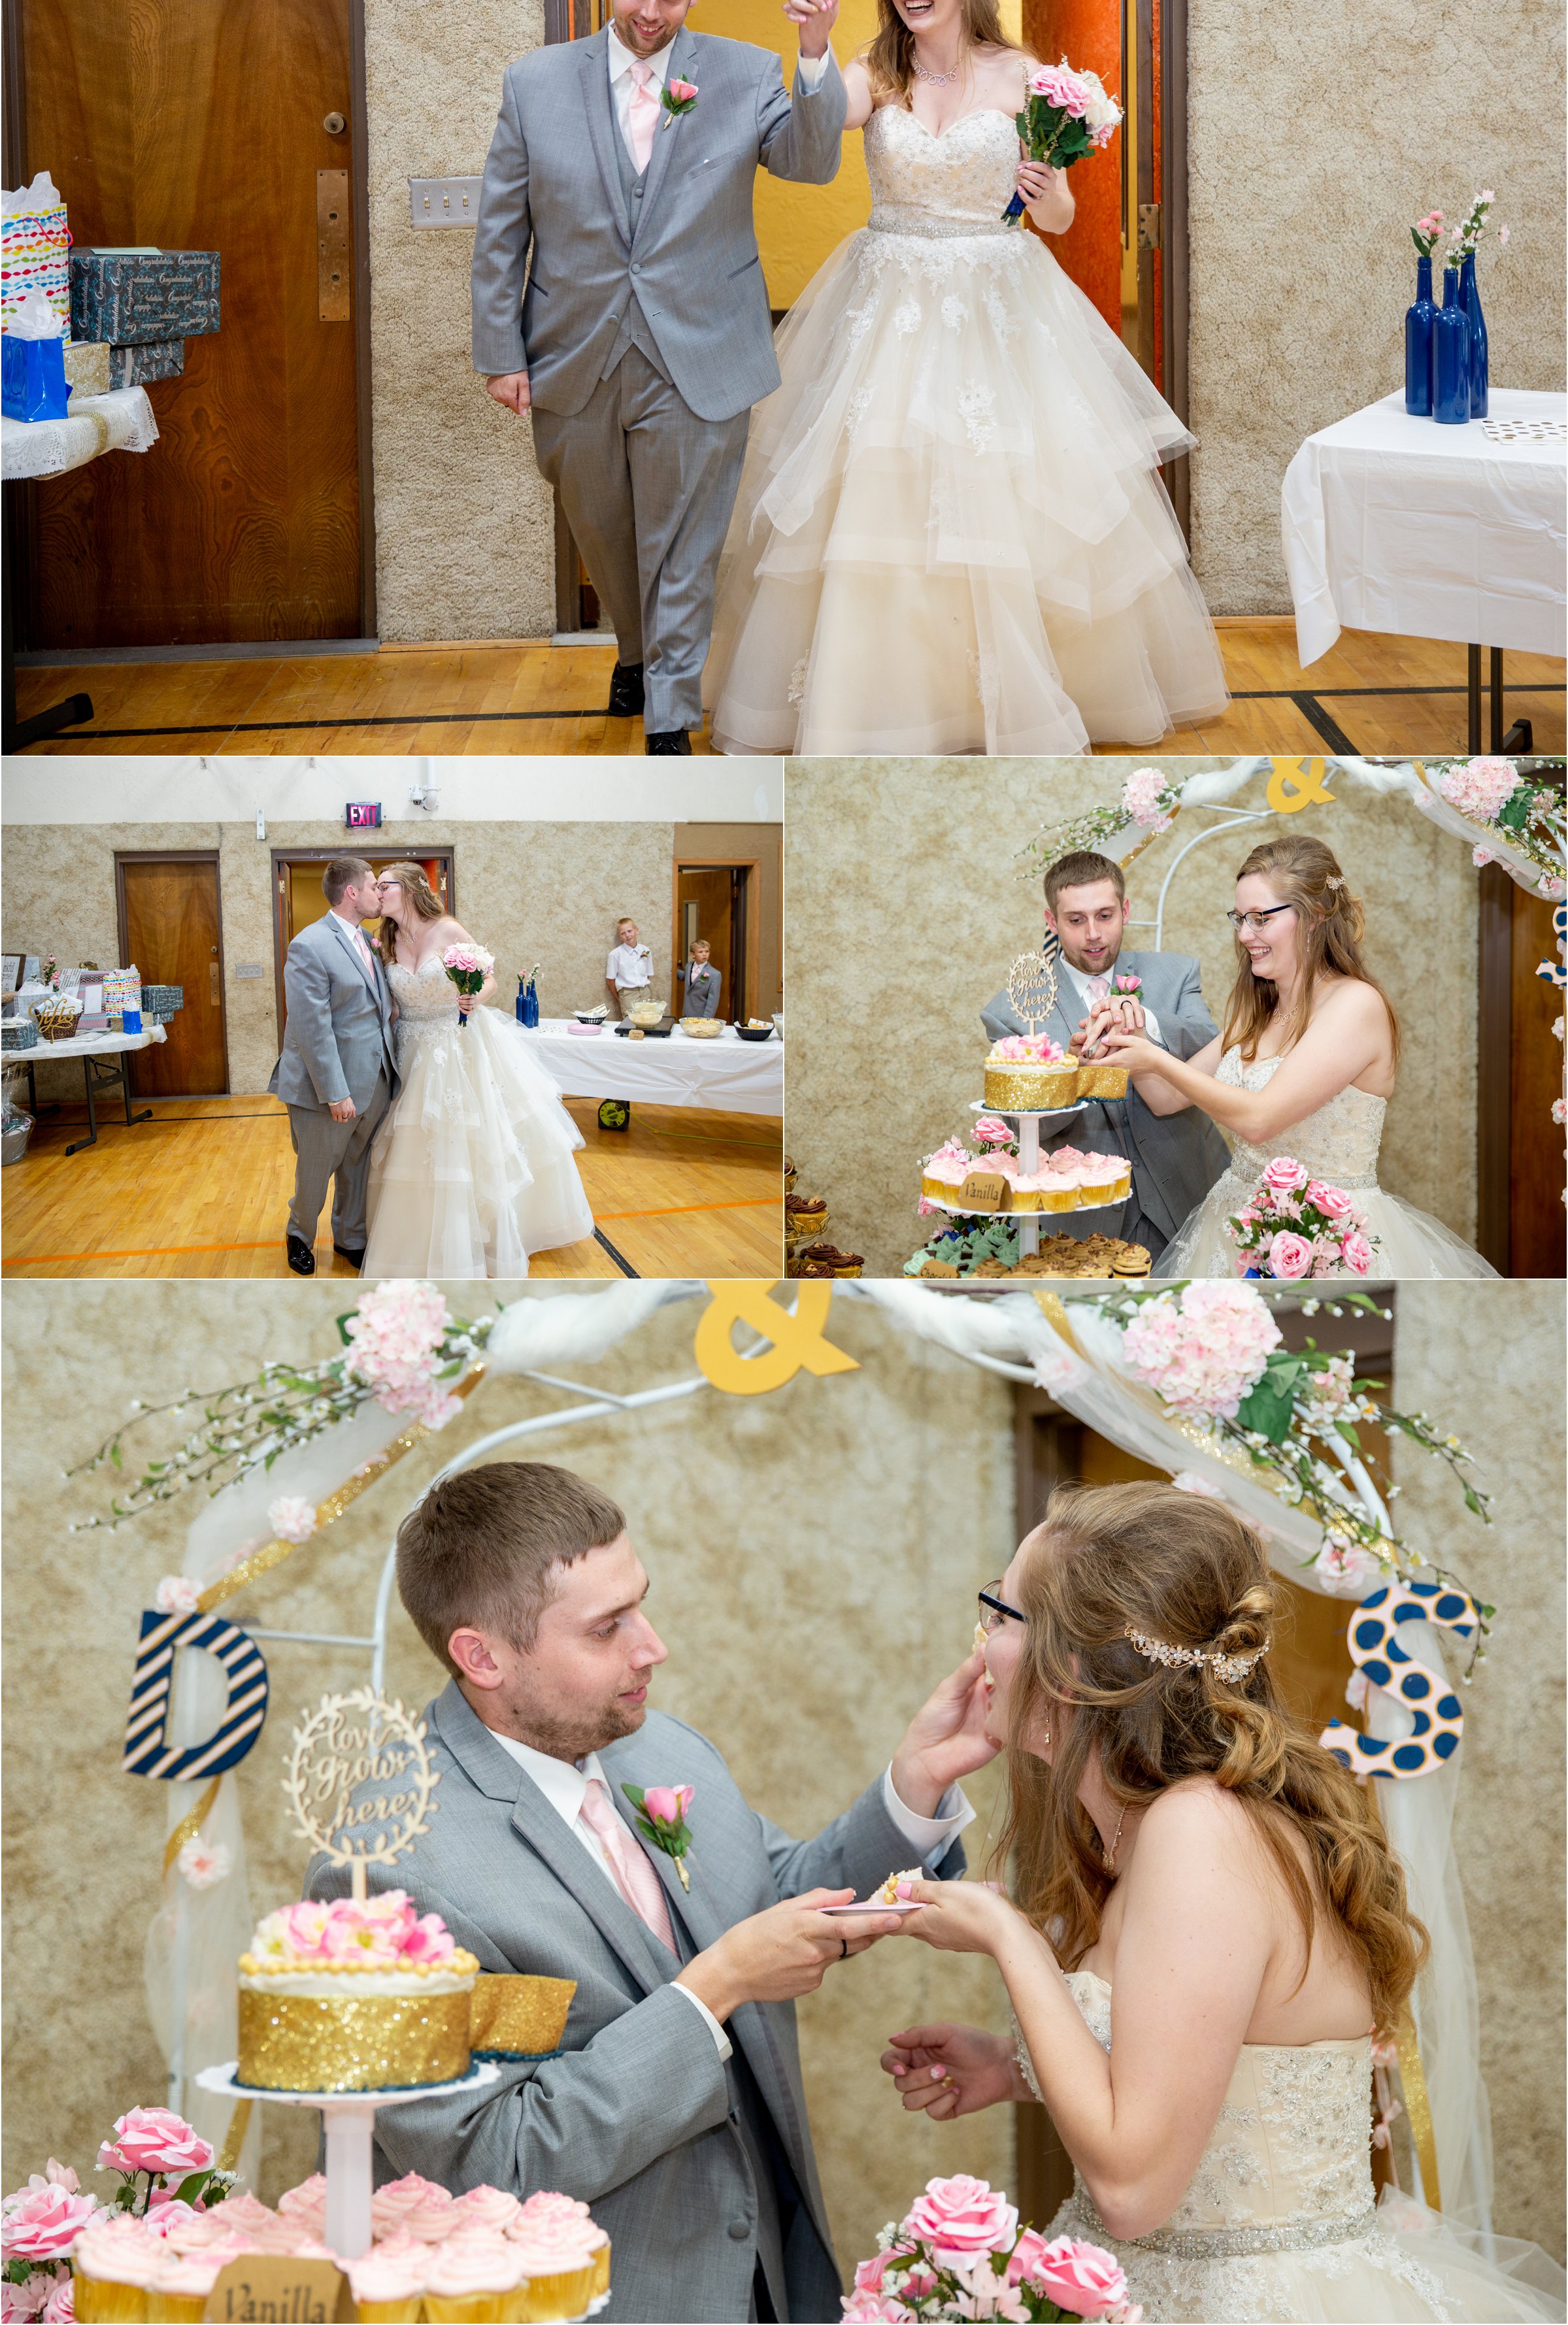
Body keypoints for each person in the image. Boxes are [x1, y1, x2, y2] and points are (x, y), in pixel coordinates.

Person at [305, 1461, 995, 2323]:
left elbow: (769, 1895)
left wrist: (913, 1787)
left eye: (640, 1604)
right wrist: (713, 1990)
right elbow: (484, 2162)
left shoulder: (660, 1748)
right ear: (481, 1655)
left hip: (766, 2284)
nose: (651, 1647)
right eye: (606, 1629)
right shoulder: (386, 1869)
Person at [876, 1481, 1566, 2324]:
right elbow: (1211, 2066)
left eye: (999, 1612)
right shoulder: (1151, 1825)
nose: (979, 1642)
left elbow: (1132, 2190)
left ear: (1067, 1661)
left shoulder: (1196, 1830)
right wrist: (1015, 2069)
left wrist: (1008, 1938)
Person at [703, 0, 1229, 756]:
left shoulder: (1023, 77)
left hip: (996, 301)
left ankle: (1013, 695)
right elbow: (806, 136)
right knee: (880, 485)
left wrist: (1042, 186)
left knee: (1002, 489)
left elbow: (1055, 216)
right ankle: (887, 699)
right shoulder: (874, 71)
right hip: (887, 298)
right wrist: (811, 43)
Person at [471, 0, 848, 754]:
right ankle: (635, 649)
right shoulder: (534, 81)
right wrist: (500, 351)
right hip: (573, 348)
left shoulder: (745, 72)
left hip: (700, 348)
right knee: (603, 532)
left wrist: (815, 51)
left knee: (682, 538)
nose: (651, 11)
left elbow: (809, 163)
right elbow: (502, 226)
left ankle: (670, 711)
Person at [1083, 832, 1500, 1276]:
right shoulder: (1260, 1007)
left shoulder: (1355, 1005)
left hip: (1323, 1234)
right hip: (1233, 1225)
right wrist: (1130, 1042)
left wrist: (1153, 1059)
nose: (1245, 935)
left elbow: (1259, 1120)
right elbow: (1166, 1099)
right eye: (1240, 918)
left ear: (1315, 914)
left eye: (1260, 919)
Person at [980, 849, 1227, 1260]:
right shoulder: (1011, 1011)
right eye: (1076, 920)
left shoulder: (1178, 972)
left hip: (1190, 1193)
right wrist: (1070, 1071)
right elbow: (1028, 1129)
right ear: (1051, 922)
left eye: (1105, 916)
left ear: (1125, 911)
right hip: (1082, 1221)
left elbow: (1212, 1046)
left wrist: (1144, 1018)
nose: (1093, 933)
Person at [360, 863, 593, 1277]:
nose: (378, 893)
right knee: (414, 1144)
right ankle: (416, 1240)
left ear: (411, 889)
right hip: (411, 1051)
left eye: (385, 885)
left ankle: (478, 1238)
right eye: (375, 886)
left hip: (458, 1043)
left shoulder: (448, 930)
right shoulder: (386, 940)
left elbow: (489, 979)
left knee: (468, 1141)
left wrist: (475, 998)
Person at [268, 856, 399, 1277]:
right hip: (328, 1086)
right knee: (316, 1169)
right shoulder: (310, 944)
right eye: (374, 886)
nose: (380, 893)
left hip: (374, 1077)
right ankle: (300, 1235)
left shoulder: (368, 940)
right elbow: (312, 1028)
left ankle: (350, 1238)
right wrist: (335, 1091)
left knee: (357, 1167)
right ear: (352, 893)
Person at [605, 917, 656, 1018]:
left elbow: (648, 975)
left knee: (648, 1020)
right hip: (628, 994)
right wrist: (621, 998)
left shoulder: (646, 951)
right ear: (620, 937)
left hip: (645, 991)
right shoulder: (615, 954)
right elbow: (610, 980)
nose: (627, 935)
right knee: (631, 1023)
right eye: (623, 933)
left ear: (636, 930)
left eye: (630, 931)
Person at [680, 937, 723, 1020]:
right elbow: (686, 978)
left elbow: (713, 1000)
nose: (704, 954)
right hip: (687, 1011)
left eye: (707, 951)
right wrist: (671, 969)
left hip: (701, 1014)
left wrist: (706, 1019)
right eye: (701, 952)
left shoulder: (715, 974)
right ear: (693, 955)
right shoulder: (689, 966)